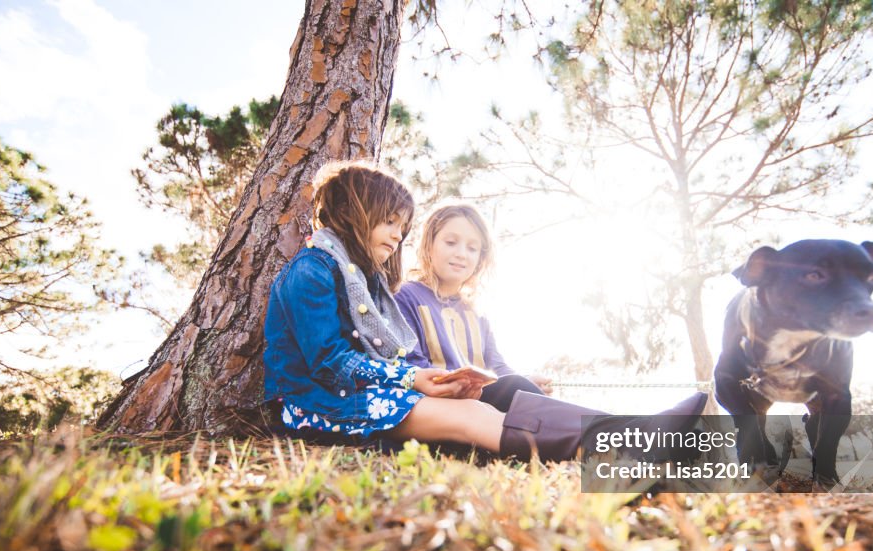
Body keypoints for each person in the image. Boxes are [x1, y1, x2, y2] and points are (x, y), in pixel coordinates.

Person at [262, 160, 706, 461]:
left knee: (495, 408)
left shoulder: (363, 280)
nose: (397, 235)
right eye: (389, 221)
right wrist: (413, 377)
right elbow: (328, 362)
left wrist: (425, 380)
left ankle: (634, 434)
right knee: (479, 415)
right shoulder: (312, 271)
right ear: (352, 212)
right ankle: (625, 441)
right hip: (316, 407)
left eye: (402, 226)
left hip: (362, 397)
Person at [395, 203, 551, 412]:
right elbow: (411, 362)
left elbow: (497, 367)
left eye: (472, 248)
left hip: (480, 402)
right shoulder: (405, 296)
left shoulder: (476, 311)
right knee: (517, 389)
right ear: (428, 244)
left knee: (519, 388)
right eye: (451, 242)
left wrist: (528, 382)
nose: (461, 254)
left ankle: (599, 433)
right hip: (436, 403)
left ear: (480, 258)